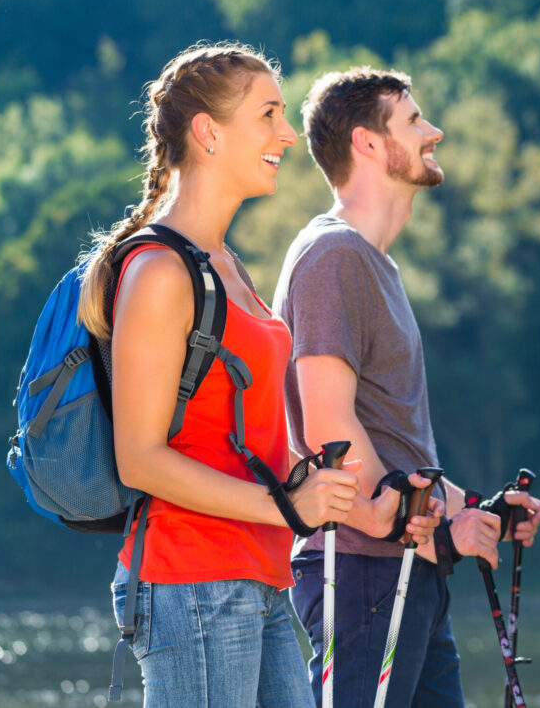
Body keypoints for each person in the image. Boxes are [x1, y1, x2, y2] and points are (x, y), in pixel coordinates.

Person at [76, 43, 435, 707]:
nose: (285, 134)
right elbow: (141, 460)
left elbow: (242, 434)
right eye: (267, 114)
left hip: (255, 575)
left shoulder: (227, 267)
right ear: (207, 133)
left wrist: (326, 492)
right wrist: (287, 506)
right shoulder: (160, 271)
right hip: (192, 580)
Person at [273, 66, 540, 708]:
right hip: (363, 570)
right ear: (368, 143)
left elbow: (397, 450)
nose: (436, 131)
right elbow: (326, 427)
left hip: (404, 567)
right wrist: (432, 531)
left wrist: (479, 509)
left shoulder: (374, 264)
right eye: (415, 121)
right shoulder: (334, 256)